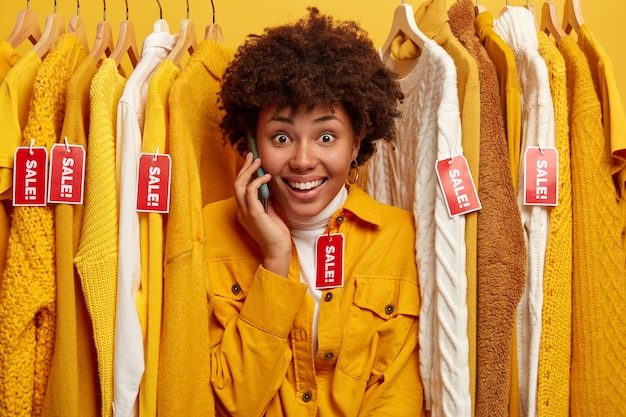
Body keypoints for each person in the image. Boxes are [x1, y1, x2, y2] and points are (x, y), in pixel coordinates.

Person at [204, 7, 424, 416]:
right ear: (252, 142)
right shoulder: (206, 234)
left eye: (326, 136)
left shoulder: (403, 237)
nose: (303, 160)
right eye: (282, 136)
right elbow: (232, 402)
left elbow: (401, 394)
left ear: (356, 142)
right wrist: (274, 259)